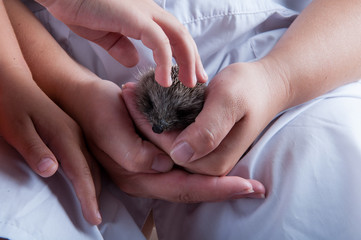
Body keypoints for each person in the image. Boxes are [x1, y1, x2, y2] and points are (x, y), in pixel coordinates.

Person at [3, 0, 361, 239]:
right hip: (30, 73)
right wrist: (60, 84)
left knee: (326, 182)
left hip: (292, 60)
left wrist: (280, 78)